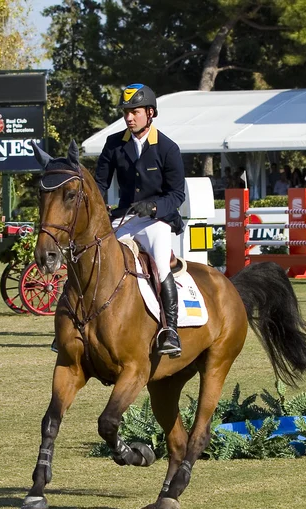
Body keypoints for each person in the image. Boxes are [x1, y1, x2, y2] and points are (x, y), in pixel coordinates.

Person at [95, 83, 185, 356]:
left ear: (150, 113)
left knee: (160, 263)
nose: (129, 118)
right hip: (125, 219)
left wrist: (154, 207)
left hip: (157, 221)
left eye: (134, 112)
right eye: (126, 113)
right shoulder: (114, 144)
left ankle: (171, 330)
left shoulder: (168, 148)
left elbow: (177, 194)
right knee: (95, 257)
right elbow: (99, 184)